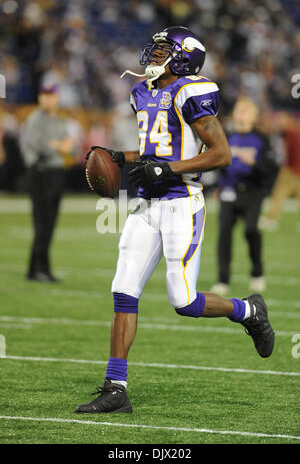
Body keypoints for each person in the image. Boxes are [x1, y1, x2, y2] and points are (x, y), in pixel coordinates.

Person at [75, 27, 275, 414]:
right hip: (148, 205)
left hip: (182, 202)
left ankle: (248, 311)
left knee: (183, 301)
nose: (153, 53)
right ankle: (116, 388)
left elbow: (220, 154)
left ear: (184, 57)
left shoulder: (192, 91)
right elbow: (157, 149)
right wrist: (122, 158)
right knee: (123, 291)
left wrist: (168, 170)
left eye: (163, 49)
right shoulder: (142, 93)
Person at [210, 97, 278, 296]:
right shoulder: (227, 136)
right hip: (229, 191)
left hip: (252, 192)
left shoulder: (262, 139)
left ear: (254, 116)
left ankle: (257, 273)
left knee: (250, 230)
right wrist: (219, 186)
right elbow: (219, 163)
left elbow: (271, 169)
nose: (240, 114)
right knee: (224, 236)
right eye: (239, 110)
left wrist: (254, 164)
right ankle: (223, 280)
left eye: (245, 111)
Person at [21, 84, 75, 282]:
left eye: (50, 95)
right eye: (43, 95)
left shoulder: (58, 120)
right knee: (42, 223)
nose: (46, 99)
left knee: (49, 224)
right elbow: (41, 146)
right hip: (41, 173)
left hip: (56, 173)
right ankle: (38, 269)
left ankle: (38, 268)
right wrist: (60, 146)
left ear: (56, 98)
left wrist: (60, 146)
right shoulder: (35, 119)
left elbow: (71, 147)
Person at [259, 112, 300, 232]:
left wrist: (290, 168)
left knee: (278, 194)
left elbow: (295, 153)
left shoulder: (291, 134)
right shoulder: (288, 133)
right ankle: (271, 218)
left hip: (292, 169)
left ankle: (271, 219)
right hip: (294, 168)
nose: (279, 123)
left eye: (281, 121)